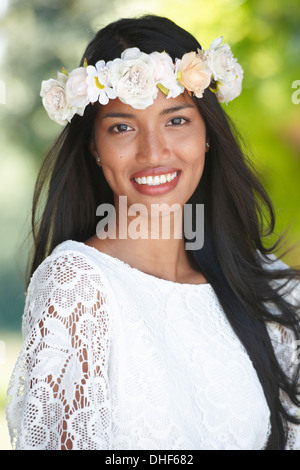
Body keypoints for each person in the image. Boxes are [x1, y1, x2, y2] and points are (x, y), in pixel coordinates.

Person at [6, 14, 300, 450]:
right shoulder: (79, 286)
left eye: (176, 120)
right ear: (95, 148)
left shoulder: (273, 290)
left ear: (206, 134)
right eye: (122, 127)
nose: (153, 151)